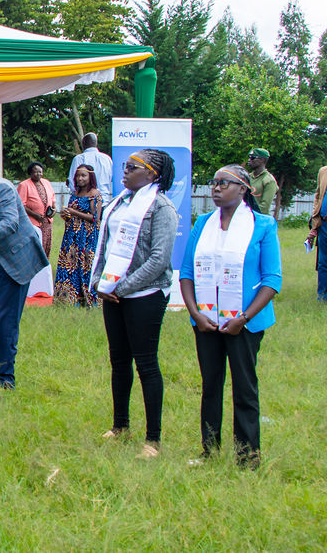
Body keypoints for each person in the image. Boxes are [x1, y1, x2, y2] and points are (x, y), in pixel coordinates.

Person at [180, 164, 281, 468]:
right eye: (214, 182)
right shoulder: (203, 224)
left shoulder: (262, 226)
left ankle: (247, 455)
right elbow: (187, 273)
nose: (216, 188)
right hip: (207, 321)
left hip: (244, 325)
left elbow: (272, 280)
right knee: (210, 386)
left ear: (243, 189)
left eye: (224, 183)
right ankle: (209, 451)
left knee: (244, 388)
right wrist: (196, 313)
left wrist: (244, 318)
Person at [91, 148, 177, 458]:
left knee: (146, 364)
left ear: (152, 174)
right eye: (124, 167)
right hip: (113, 294)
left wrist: (123, 287)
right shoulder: (119, 203)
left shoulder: (162, 208)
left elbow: (159, 259)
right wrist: (99, 283)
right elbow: (105, 246)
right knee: (118, 360)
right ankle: (120, 426)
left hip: (145, 295)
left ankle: (153, 440)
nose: (124, 172)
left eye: (132, 167)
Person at [0, 154, 49, 389]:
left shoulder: (0, 188)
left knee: (7, 320)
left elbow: (10, 223)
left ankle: (5, 377)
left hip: (15, 260)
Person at [53, 164, 102, 307]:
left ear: (90, 177)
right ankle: (68, 300)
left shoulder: (95, 194)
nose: (80, 178)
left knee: (86, 266)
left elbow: (95, 218)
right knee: (70, 265)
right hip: (71, 236)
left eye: (83, 176)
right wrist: (66, 215)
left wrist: (74, 212)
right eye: (78, 176)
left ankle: (90, 300)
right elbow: (70, 214)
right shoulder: (74, 194)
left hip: (87, 237)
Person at [17, 161, 56, 256]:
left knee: (46, 247)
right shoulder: (24, 185)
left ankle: (45, 264)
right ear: (30, 173)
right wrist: (35, 215)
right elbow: (20, 205)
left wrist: (54, 210)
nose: (38, 174)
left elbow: (53, 199)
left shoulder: (46, 183)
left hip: (46, 222)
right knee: (34, 248)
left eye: (40, 172)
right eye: (35, 172)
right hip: (32, 223)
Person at [68, 132, 113, 204]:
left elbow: (72, 182)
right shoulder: (107, 159)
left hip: (85, 203)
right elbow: (111, 179)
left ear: (83, 143)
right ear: (96, 143)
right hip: (104, 201)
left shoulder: (79, 158)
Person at [306, 162, 327, 301]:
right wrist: (315, 223)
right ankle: (322, 296)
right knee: (323, 262)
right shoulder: (323, 171)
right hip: (324, 224)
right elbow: (318, 196)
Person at [244, 148, 278, 216]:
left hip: (258, 218)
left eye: (252, 158)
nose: (249, 160)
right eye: (249, 157)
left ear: (262, 160)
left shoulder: (269, 180)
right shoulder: (247, 177)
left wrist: (248, 215)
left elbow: (264, 208)